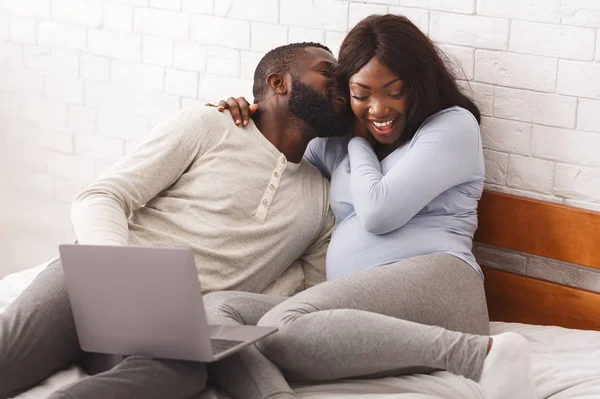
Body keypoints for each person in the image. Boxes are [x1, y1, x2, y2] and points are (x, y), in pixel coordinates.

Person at [210, 14, 538, 399]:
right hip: (359, 301)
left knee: (282, 326)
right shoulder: (335, 141)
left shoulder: (452, 126)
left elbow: (380, 212)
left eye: (393, 91)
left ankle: (481, 356)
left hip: (443, 287)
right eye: (361, 95)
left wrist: (358, 141)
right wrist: (251, 114)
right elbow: (281, 154)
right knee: (215, 315)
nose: (378, 109)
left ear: (418, 84)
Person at [0, 42, 351, 399]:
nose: (342, 81)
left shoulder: (322, 202)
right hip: (95, 283)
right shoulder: (211, 125)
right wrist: (114, 271)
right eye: (327, 71)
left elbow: (304, 302)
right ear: (279, 83)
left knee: (184, 374)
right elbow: (102, 196)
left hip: (169, 330)